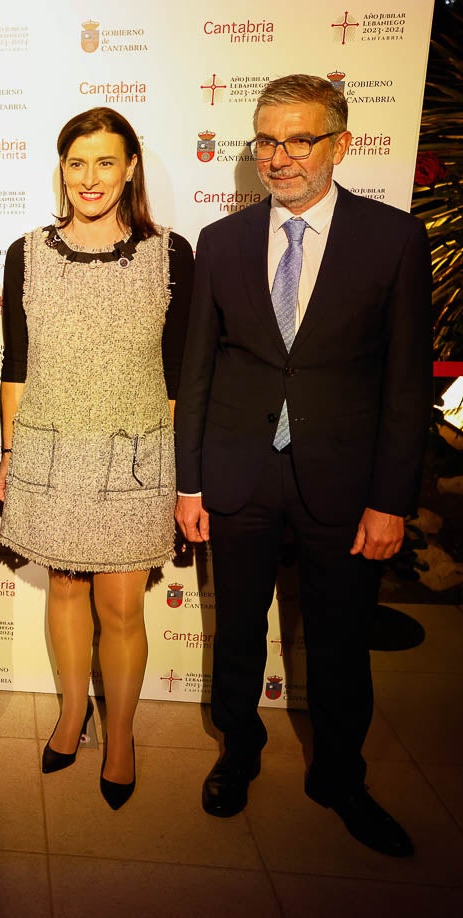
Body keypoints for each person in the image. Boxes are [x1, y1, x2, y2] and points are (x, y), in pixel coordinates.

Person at [175, 74, 431, 857]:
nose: (279, 158)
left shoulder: (392, 240)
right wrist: (189, 481)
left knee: (339, 641)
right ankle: (238, 752)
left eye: (298, 140)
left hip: (344, 483)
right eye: (265, 141)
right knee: (236, 635)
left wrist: (391, 500)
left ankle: (341, 777)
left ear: (340, 144)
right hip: (238, 474)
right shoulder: (218, 242)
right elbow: (197, 372)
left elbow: (404, 383)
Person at [0, 107, 193, 809]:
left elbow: (177, 373)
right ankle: (72, 713)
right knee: (68, 592)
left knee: (119, 605)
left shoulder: (170, 254)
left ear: (130, 168)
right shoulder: (25, 253)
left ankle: (120, 738)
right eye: (76, 163)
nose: (89, 178)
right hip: (48, 453)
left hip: (133, 458)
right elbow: (13, 365)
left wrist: (169, 469)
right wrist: (9, 454)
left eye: (104, 162)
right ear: (61, 169)